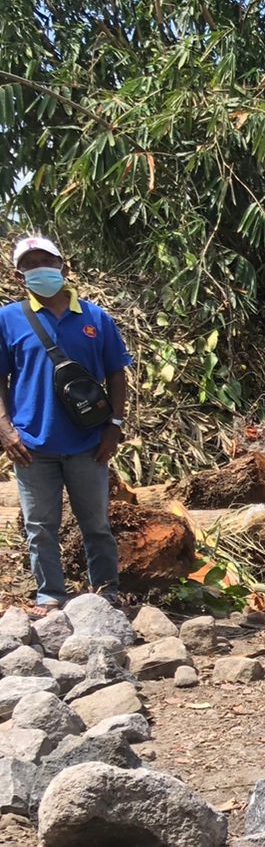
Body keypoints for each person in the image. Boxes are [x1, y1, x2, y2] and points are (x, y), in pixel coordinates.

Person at [0, 234, 131, 613]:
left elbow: (116, 373)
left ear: (63, 266)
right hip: (31, 444)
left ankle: (106, 593)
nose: (39, 269)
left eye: (46, 261)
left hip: (89, 442)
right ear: (18, 274)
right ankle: (51, 596)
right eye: (30, 264)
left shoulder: (94, 318)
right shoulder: (8, 320)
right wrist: (6, 429)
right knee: (40, 528)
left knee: (96, 525)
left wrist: (115, 425)